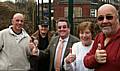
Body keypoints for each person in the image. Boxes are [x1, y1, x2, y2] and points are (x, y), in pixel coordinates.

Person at [84, 4, 120, 71]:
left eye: (109, 17)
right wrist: (95, 58)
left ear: (117, 18)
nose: (105, 21)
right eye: (100, 18)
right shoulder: (99, 36)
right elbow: (86, 61)